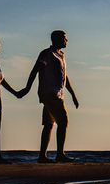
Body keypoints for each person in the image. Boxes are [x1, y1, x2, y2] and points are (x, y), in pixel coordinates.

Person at [17, 30, 79, 163]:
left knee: (49, 124)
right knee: (63, 122)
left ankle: (42, 156)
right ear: (56, 39)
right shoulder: (47, 54)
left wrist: (73, 94)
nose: (66, 41)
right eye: (64, 38)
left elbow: (64, 76)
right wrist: (27, 88)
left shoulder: (60, 55)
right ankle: (60, 154)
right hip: (50, 93)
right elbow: (36, 69)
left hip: (57, 93)